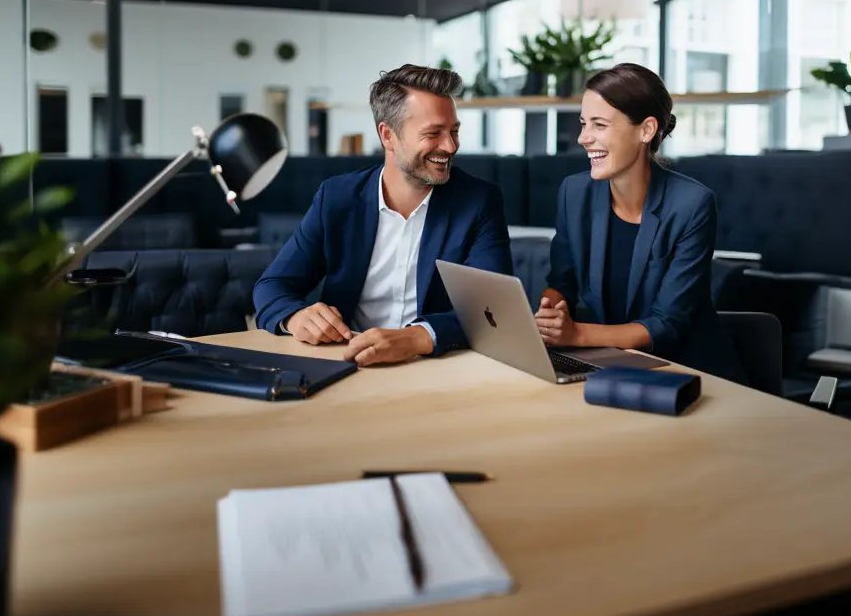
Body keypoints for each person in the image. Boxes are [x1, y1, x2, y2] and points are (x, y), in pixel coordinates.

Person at [253, 64, 512, 366]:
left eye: (454, 131)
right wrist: (295, 317)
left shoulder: (479, 201)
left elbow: (494, 310)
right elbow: (272, 286)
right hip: (349, 365)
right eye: (433, 133)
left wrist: (418, 337)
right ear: (388, 136)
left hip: (437, 368)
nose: (450, 146)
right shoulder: (336, 198)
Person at [535, 62, 745, 383]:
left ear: (646, 130)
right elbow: (561, 283)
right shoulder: (574, 193)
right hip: (611, 365)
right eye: (583, 123)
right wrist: (551, 313)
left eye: (599, 125)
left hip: (684, 372)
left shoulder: (691, 204)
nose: (583, 137)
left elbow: (666, 324)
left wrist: (575, 334)